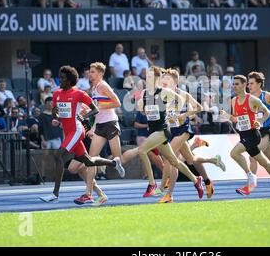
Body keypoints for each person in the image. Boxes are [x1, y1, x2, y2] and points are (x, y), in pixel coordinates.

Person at [39, 66, 122, 203]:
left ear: (70, 80)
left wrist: (81, 117)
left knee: (58, 155)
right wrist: (57, 119)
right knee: (88, 161)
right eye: (59, 77)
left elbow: (94, 110)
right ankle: (114, 163)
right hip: (67, 131)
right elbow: (55, 112)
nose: (60, 80)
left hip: (77, 130)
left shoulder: (79, 93)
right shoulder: (56, 94)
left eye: (63, 78)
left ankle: (55, 194)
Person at [124, 66, 204, 198]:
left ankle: (152, 184)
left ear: (157, 78)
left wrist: (172, 111)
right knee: (174, 162)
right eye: (147, 77)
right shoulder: (144, 93)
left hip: (163, 130)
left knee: (142, 150)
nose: (147, 79)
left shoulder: (164, 91)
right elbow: (142, 109)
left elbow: (181, 100)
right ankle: (196, 180)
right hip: (153, 130)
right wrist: (143, 107)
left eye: (150, 77)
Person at [157, 69, 225, 203]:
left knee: (169, 158)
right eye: (163, 79)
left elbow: (198, 107)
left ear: (175, 81)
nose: (164, 82)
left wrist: (185, 115)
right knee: (190, 160)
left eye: (168, 79)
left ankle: (166, 192)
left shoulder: (183, 94)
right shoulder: (163, 95)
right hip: (171, 131)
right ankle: (214, 160)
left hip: (183, 130)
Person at [220, 75, 270, 197]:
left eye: (237, 84)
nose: (234, 86)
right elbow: (236, 119)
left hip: (254, 134)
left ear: (243, 85)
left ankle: (251, 177)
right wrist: (227, 116)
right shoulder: (234, 101)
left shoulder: (252, 99)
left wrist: (260, 121)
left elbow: (268, 112)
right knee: (264, 162)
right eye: (233, 84)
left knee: (234, 153)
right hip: (243, 134)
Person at [77, 62, 125, 206]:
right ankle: (89, 194)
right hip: (100, 126)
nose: (89, 74)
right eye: (89, 71)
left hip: (111, 123)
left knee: (118, 157)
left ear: (100, 74)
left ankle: (116, 163)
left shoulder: (103, 85)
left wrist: (99, 106)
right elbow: (96, 110)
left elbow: (117, 103)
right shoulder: (94, 88)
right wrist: (89, 116)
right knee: (91, 160)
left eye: (92, 72)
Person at [39, 97, 63, 180]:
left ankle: (56, 176)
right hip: (46, 139)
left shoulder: (57, 114)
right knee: (44, 157)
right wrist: (43, 140)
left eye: (51, 103)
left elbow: (61, 126)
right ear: (45, 104)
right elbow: (40, 128)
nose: (50, 104)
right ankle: (43, 176)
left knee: (56, 157)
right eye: (48, 103)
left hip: (57, 138)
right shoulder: (42, 115)